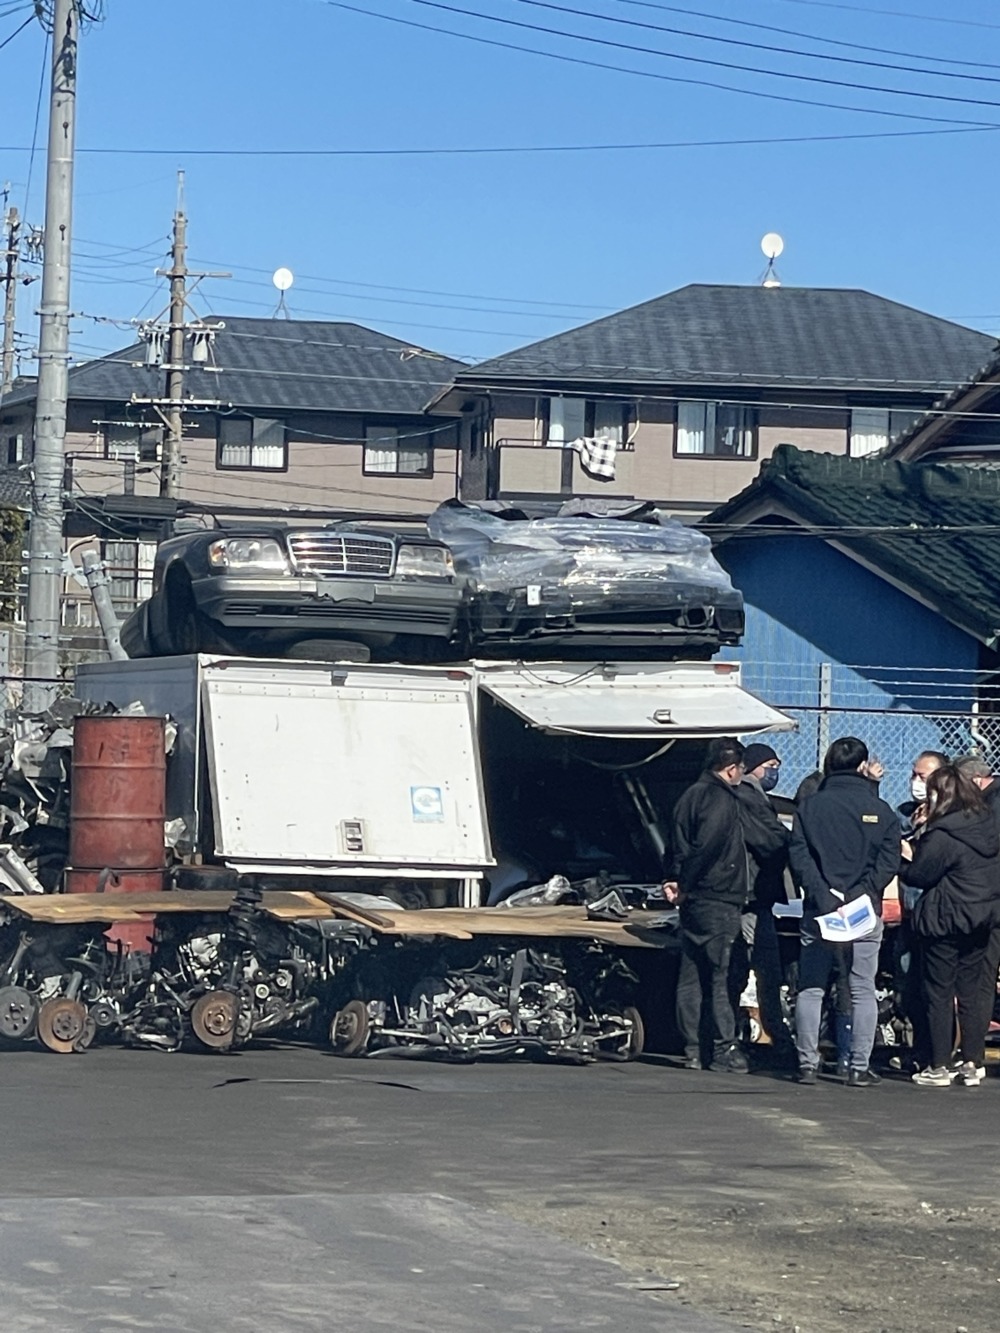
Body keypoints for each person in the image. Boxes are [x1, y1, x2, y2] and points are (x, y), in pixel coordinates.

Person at [789, 736, 901, 1087]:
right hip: (864, 911)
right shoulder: (880, 810)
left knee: (811, 987)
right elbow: (889, 859)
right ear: (863, 766)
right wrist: (863, 893)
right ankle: (857, 1065)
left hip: (819, 910)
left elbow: (800, 856)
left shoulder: (810, 807)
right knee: (861, 987)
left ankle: (807, 1063)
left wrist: (823, 894)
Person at [902, 764, 1000, 1087]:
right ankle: (973, 1061)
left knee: (939, 992)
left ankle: (939, 1063)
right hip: (981, 917)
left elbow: (920, 874)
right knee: (972, 991)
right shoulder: (989, 827)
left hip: (945, 920)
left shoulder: (943, 834)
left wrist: (909, 850)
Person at [664, 737, 754, 1074]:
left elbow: (676, 843)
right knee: (719, 977)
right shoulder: (721, 799)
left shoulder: (689, 796)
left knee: (690, 975)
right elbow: (709, 845)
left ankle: (691, 1048)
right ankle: (722, 1050)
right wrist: (687, 882)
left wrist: (674, 879)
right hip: (717, 895)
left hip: (694, 900)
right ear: (731, 769)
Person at [732, 743, 795, 1061]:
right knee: (763, 967)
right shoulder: (748, 795)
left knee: (755, 968)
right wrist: (787, 840)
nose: (774, 770)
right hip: (753, 895)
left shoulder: (748, 794)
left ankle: (771, 1033)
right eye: (770, 764)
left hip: (755, 896)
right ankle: (776, 1038)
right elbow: (768, 837)